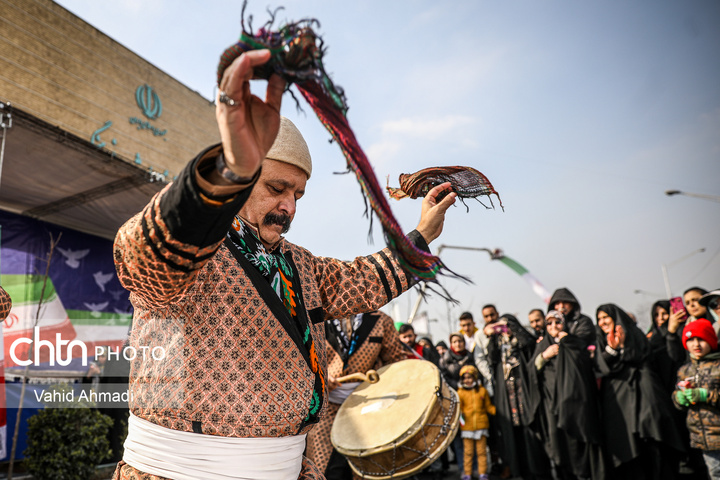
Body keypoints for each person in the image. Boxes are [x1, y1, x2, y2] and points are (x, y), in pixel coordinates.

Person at [112, 48, 457, 480]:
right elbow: (140, 256)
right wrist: (226, 171)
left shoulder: (301, 265)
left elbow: (363, 281)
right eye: (277, 187)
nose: (289, 207)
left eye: (298, 195)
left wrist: (421, 233)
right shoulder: (193, 249)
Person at [306, 311, 406, 479]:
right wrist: (319, 377)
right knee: (324, 466)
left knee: (367, 467)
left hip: (369, 405)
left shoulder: (382, 321)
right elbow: (301, 359)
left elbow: (396, 361)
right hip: (326, 406)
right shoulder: (315, 319)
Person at [595, 303, 686, 479]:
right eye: (599, 318)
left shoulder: (635, 335)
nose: (602, 322)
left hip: (645, 393)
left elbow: (642, 355)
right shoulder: (600, 340)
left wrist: (624, 346)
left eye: (606, 317)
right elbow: (601, 366)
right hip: (619, 401)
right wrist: (613, 349)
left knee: (655, 438)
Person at [527, 310, 605, 480]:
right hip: (551, 405)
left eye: (558, 322)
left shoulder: (573, 341)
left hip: (574, 404)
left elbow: (584, 365)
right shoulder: (542, 345)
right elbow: (531, 370)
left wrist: (566, 343)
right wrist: (543, 356)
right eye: (549, 323)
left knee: (577, 444)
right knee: (558, 444)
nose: (553, 326)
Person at [486, 314, 551, 480]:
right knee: (513, 439)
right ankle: (519, 471)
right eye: (502, 328)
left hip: (525, 397)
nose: (505, 330)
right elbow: (491, 358)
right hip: (508, 399)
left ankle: (538, 471)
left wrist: (511, 327)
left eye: (507, 326)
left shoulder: (522, 344)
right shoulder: (499, 344)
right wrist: (494, 333)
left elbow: (527, 342)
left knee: (531, 438)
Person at [673, 319, 720, 479]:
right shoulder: (685, 370)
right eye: (691, 340)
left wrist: (706, 395)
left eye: (701, 339)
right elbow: (676, 397)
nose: (696, 344)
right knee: (715, 473)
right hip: (703, 438)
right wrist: (679, 399)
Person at [457, 364, 496, 480]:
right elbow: (459, 409)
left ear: (475, 378)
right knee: (468, 453)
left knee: (482, 452)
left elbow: (488, 406)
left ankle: (482, 473)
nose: (467, 380)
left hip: (481, 426)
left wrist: (497, 412)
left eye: (470, 377)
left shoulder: (482, 391)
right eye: (465, 378)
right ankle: (467, 473)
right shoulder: (460, 393)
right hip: (467, 427)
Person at [459, 311, 493, 396]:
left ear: (473, 323)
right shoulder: (459, 338)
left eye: (468, 324)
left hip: (482, 373)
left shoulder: (481, 335)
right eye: (463, 325)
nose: (466, 328)